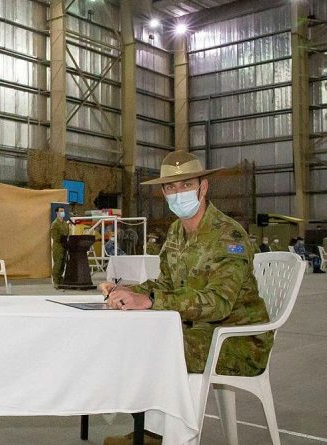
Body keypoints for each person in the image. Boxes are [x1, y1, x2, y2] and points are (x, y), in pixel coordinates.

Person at [99, 151, 273, 445]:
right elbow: (164, 283)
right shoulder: (176, 232)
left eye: (186, 185)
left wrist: (152, 300)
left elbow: (219, 303)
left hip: (236, 340)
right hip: (196, 331)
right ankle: (152, 433)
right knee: (138, 338)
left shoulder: (228, 235)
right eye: (170, 187)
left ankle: (174, 440)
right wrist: (128, 292)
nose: (178, 193)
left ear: (203, 187)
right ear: (163, 192)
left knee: (166, 348)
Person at [50, 206, 70, 289]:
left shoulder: (65, 224)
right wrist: (62, 238)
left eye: (63, 211)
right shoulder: (55, 224)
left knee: (62, 264)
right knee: (57, 264)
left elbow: (67, 234)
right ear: (57, 213)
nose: (63, 212)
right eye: (61, 211)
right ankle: (55, 281)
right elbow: (55, 236)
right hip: (58, 247)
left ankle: (60, 279)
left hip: (65, 246)